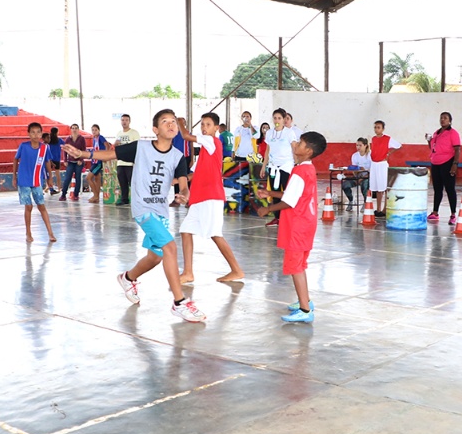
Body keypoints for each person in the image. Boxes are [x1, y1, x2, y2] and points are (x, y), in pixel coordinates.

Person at [66, 109, 205, 322]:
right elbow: (111, 154)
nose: (171, 125)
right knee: (170, 247)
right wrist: (84, 155)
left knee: (156, 256)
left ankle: (128, 277)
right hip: (143, 209)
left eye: (174, 122)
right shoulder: (141, 147)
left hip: (161, 211)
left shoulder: (178, 157)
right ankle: (179, 303)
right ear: (155, 130)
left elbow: (184, 185)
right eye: (165, 122)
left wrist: (184, 195)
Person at [256, 131, 328, 323]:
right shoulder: (309, 169)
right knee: (301, 265)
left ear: (308, 151)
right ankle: (305, 301)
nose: (295, 144)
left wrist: (267, 209)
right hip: (307, 223)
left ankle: (305, 310)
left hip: (298, 225)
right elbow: (294, 194)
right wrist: (269, 192)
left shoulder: (299, 171)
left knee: (295, 267)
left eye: (301, 143)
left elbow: (289, 201)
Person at [177, 114, 245, 283]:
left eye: (208, 124)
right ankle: (188, 272)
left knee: (215, 234)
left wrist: (179, 122)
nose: (204, 127)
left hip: (210, 197)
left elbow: (185, 136)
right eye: (202, 124)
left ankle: (236, 270)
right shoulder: (204, 152)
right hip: (199, 199)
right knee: (185, 231)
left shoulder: (212, 141)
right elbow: (192, 174)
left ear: (216, 128)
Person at [13, 122, 57, 243]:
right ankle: (28, 232)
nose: (36, 135)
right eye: (33, 132)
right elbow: (16, 159)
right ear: (29, 134)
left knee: (42, 206)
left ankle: (50, 233)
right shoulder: (23, 146)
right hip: (23, 181)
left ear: (41, 133)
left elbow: (47, 162)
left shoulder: (44, 148)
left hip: (37, 181)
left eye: (38, 132)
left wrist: (50, 177)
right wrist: (14, 177)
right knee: (29, 206)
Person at [260, 108, 298, 227]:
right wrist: (263, 166)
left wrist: (296, 164)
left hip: (286, 166)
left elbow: (294, 148)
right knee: (275, 192)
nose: (277, 120)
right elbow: (268, 150)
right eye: (275, 118)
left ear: (284, 119)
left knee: (286, 192)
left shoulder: (289, 132)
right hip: (273, 166)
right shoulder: (270, 133)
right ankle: (278, 218)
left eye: (279, 118)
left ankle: (289, 217)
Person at [426, 112, 461, 224]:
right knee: (437, 189)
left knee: (450, 189)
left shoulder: (453, 133)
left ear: (450, 120)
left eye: (445, 118)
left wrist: (454, 164)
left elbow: (457, 149)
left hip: (448, 163)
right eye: (441, 118)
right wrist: (428, 140)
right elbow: (432, 147)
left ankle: (453, 214)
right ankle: (435, 212)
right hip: (435, 163)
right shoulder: (437, 133)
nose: (442, 120)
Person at [370, 120, 402, 217]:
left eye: (378, 127)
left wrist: (388, 153)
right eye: (375, 127)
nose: (376, 129)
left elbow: (399, 146)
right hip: (374, 164)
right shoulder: (373, 139)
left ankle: (385, 208)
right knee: (377, 188)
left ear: (383, 129)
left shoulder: (387, 139)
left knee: (383, 187)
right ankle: (378, 209)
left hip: (382, 164)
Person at [114, 114, 140, 205]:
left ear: (129, 121)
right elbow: (115, 146)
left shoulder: (134, 133)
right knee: (122, 181)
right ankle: (124, 199)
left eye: (126, 120)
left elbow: (137, 147)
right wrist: (115, 144)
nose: (124, 122)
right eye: (122, 120)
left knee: (133, 182)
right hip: (120, 162)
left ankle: (137, 199)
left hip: (130, 162)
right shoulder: (119, 133)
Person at [342, 137, 371, 212]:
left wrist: (363, 176)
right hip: (357, 176)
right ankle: (351, 200)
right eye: (357, 145)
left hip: (368, 177)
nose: (358, 147)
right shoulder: (354, 156)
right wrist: (357, 176)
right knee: (345, 184)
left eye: (360, 145)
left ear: (365, 145)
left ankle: (366, 202)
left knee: (365, 185)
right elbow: (354, 169)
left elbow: (372, 171)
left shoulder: (370, 155)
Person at [59, 124, 86, 201]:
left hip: (78, 162)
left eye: (76, 128)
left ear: (78, 129)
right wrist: (65, 160)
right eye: (73, 128)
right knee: (67, 178)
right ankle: (63, 194)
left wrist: (81, 159)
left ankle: (76, 194)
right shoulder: (68, 139)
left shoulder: (81, 139)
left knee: (78, 178)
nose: (74, 130)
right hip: (70, 161)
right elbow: (65, 150)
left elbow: (84, 150)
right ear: (71, 130)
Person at [87, 124, 109, 203]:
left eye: (96, 130)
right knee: (97, 178)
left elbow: (107, 145)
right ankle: (97, 197)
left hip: (99, 161)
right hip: (94, 160)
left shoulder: (101, 137)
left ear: (99, 130)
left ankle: (95, 195)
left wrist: (106, 156)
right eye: (92, 130)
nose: (94, 131)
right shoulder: (94, 139)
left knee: (88, 178)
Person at [47, 126, 63, 195]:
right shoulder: (59, 140)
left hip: (49, 159)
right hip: (57, 158)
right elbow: (65, 145)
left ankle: (49, 187)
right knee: (57, 174)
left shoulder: (49, 140)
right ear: (57, 132)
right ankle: (59, 188)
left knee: (49, 174)